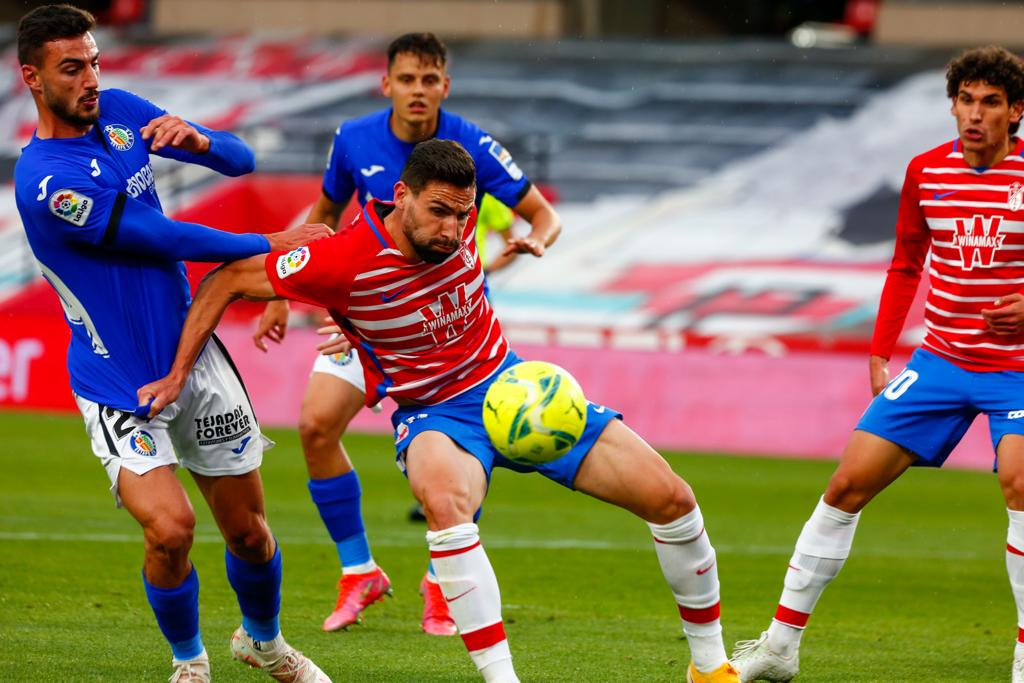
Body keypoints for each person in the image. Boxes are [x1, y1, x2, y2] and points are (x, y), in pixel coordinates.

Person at [139, 139, 740, 683]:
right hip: (436, 415)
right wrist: (177, 373)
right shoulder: (339, 259)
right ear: (401, 198)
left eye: (464, 215)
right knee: (447, 509)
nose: (454, 231)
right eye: (440, 213)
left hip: (515, 386)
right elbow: (226, 280)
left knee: (674, 500)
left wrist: (373, 321)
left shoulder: (457, 221)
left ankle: (709, 667)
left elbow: (479, 252)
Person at [14, 6, 332, 682]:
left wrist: (203, 139)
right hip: (117, 380)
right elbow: (163, 238)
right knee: (172, 527)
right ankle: (190, 661)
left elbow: (242, 162)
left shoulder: (124, 112)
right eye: (72, 68)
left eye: (94, 61)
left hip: (197, 356)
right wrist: (272, 244)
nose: (91, 78)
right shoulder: (46, 180)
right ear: (33, 78)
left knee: (249, 531)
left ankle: (265, 643)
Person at [251, 32, 562, 636]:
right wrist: (286, 295)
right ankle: (358, 571)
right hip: (368, 320)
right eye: (407, 80)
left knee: (474, 442)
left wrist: (534, 242)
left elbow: (544, 215)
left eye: (429, 80)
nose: (418, 91)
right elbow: (323, 217)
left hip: (450, 328)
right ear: (386, 83)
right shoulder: (354, 139)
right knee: (315, 426)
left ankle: (443, 580)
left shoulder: (472, 145)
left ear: (445, 85)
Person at [730, 46, 1024, 683]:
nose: (975, 114)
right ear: (952, 106)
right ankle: (780, 649)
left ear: (1015, 111)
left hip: (1016, 368)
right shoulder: (925, 172)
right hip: (940, 359)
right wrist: (878, 350)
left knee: (1021, 485)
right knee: (845, 485)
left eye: (990, 102)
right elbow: (905, 264)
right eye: (965, 100)